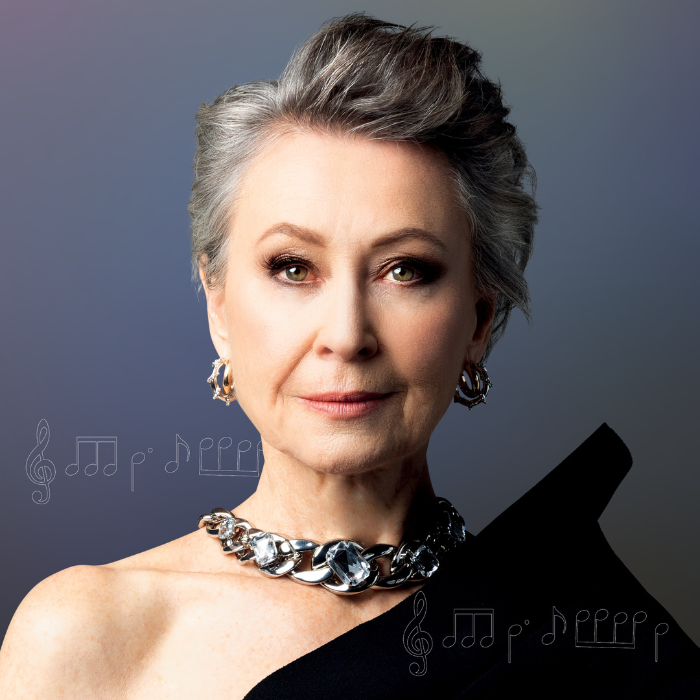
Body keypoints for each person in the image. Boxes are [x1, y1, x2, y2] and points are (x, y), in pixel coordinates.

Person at [0, 13, 698, 700]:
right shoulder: (92, 636)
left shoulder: (593, 645)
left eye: (405, 271)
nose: (346, 334)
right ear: (218, 307)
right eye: (293, 267)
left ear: (479, 321)